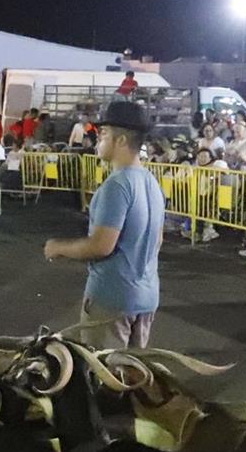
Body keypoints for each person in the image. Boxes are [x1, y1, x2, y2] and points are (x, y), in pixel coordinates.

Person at [44, 98, 163, 347]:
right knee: (132, 376)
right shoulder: (151, 182)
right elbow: (157, 240)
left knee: (103, 376)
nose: (98, 139)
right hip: (146, 296)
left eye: (104, 133)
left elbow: (101, 246)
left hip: (112, 299)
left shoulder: (116, 186)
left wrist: (58, 247)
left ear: (120, 140)